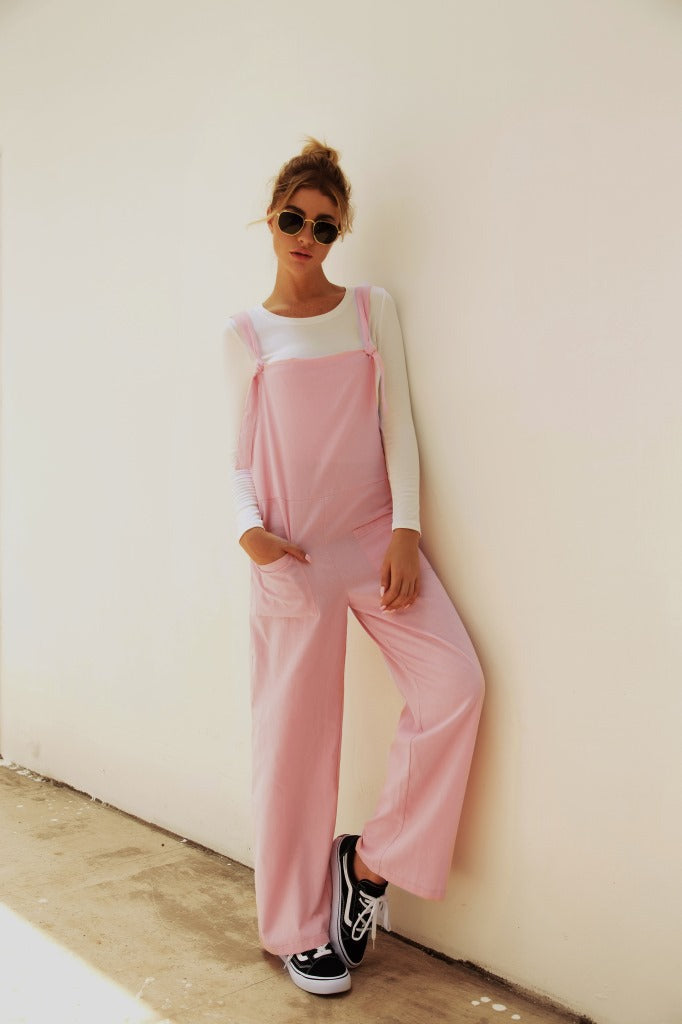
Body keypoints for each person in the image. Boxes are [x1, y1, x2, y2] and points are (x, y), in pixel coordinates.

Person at [222, 137, 485, 997]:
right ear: (270, 221)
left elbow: (397, 423)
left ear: (340, 232)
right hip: (293, 557)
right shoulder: (245, 333)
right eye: (293, 219)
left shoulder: (372, 310)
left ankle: (367, 867)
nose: (307, 237)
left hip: (374, 540)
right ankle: (299, 930)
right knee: (294, 748)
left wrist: (406, 529)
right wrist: (251, 534)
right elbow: (236, 460)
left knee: (456, 687)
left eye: (324, 226)